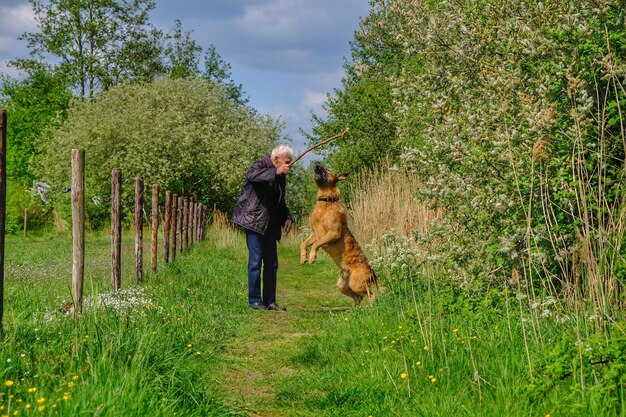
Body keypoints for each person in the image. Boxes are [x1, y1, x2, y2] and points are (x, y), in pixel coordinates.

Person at [232, 145, 294, 311]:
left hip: (270, 224)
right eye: (287, 162)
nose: (290, 165)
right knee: (255, 261)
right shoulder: (259, 165)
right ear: (275, 160)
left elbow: (279, 201)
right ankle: (254, 301)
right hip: (254, 221)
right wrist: (275, 172)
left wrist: (287, 217)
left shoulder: (281, 175)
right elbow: (252, 176)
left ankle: (270, 301)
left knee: (272, 263)